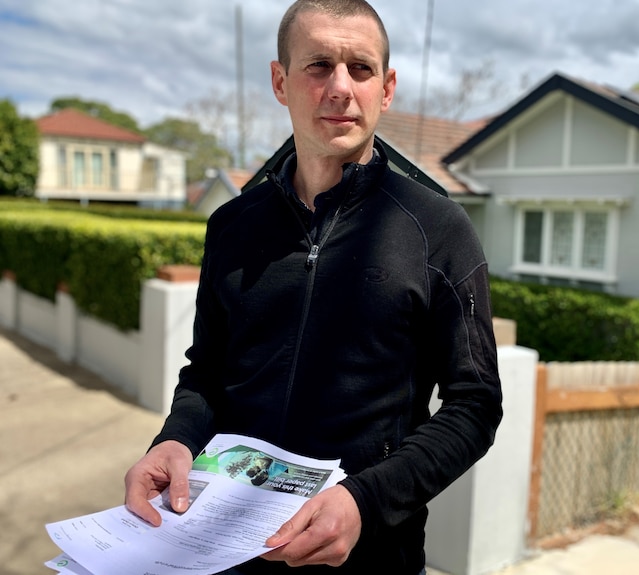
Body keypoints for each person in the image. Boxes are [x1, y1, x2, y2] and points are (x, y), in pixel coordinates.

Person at [123, 0, 503, 573]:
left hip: (371, 555)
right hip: (225, 550)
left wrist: (364, 502)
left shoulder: (440, 231)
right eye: (318, 65)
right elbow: (207, 374)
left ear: (388, 87)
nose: (340, 88)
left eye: (361, 68)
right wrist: (173, 440)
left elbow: (474, 406)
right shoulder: (231, 226)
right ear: (281, 81)